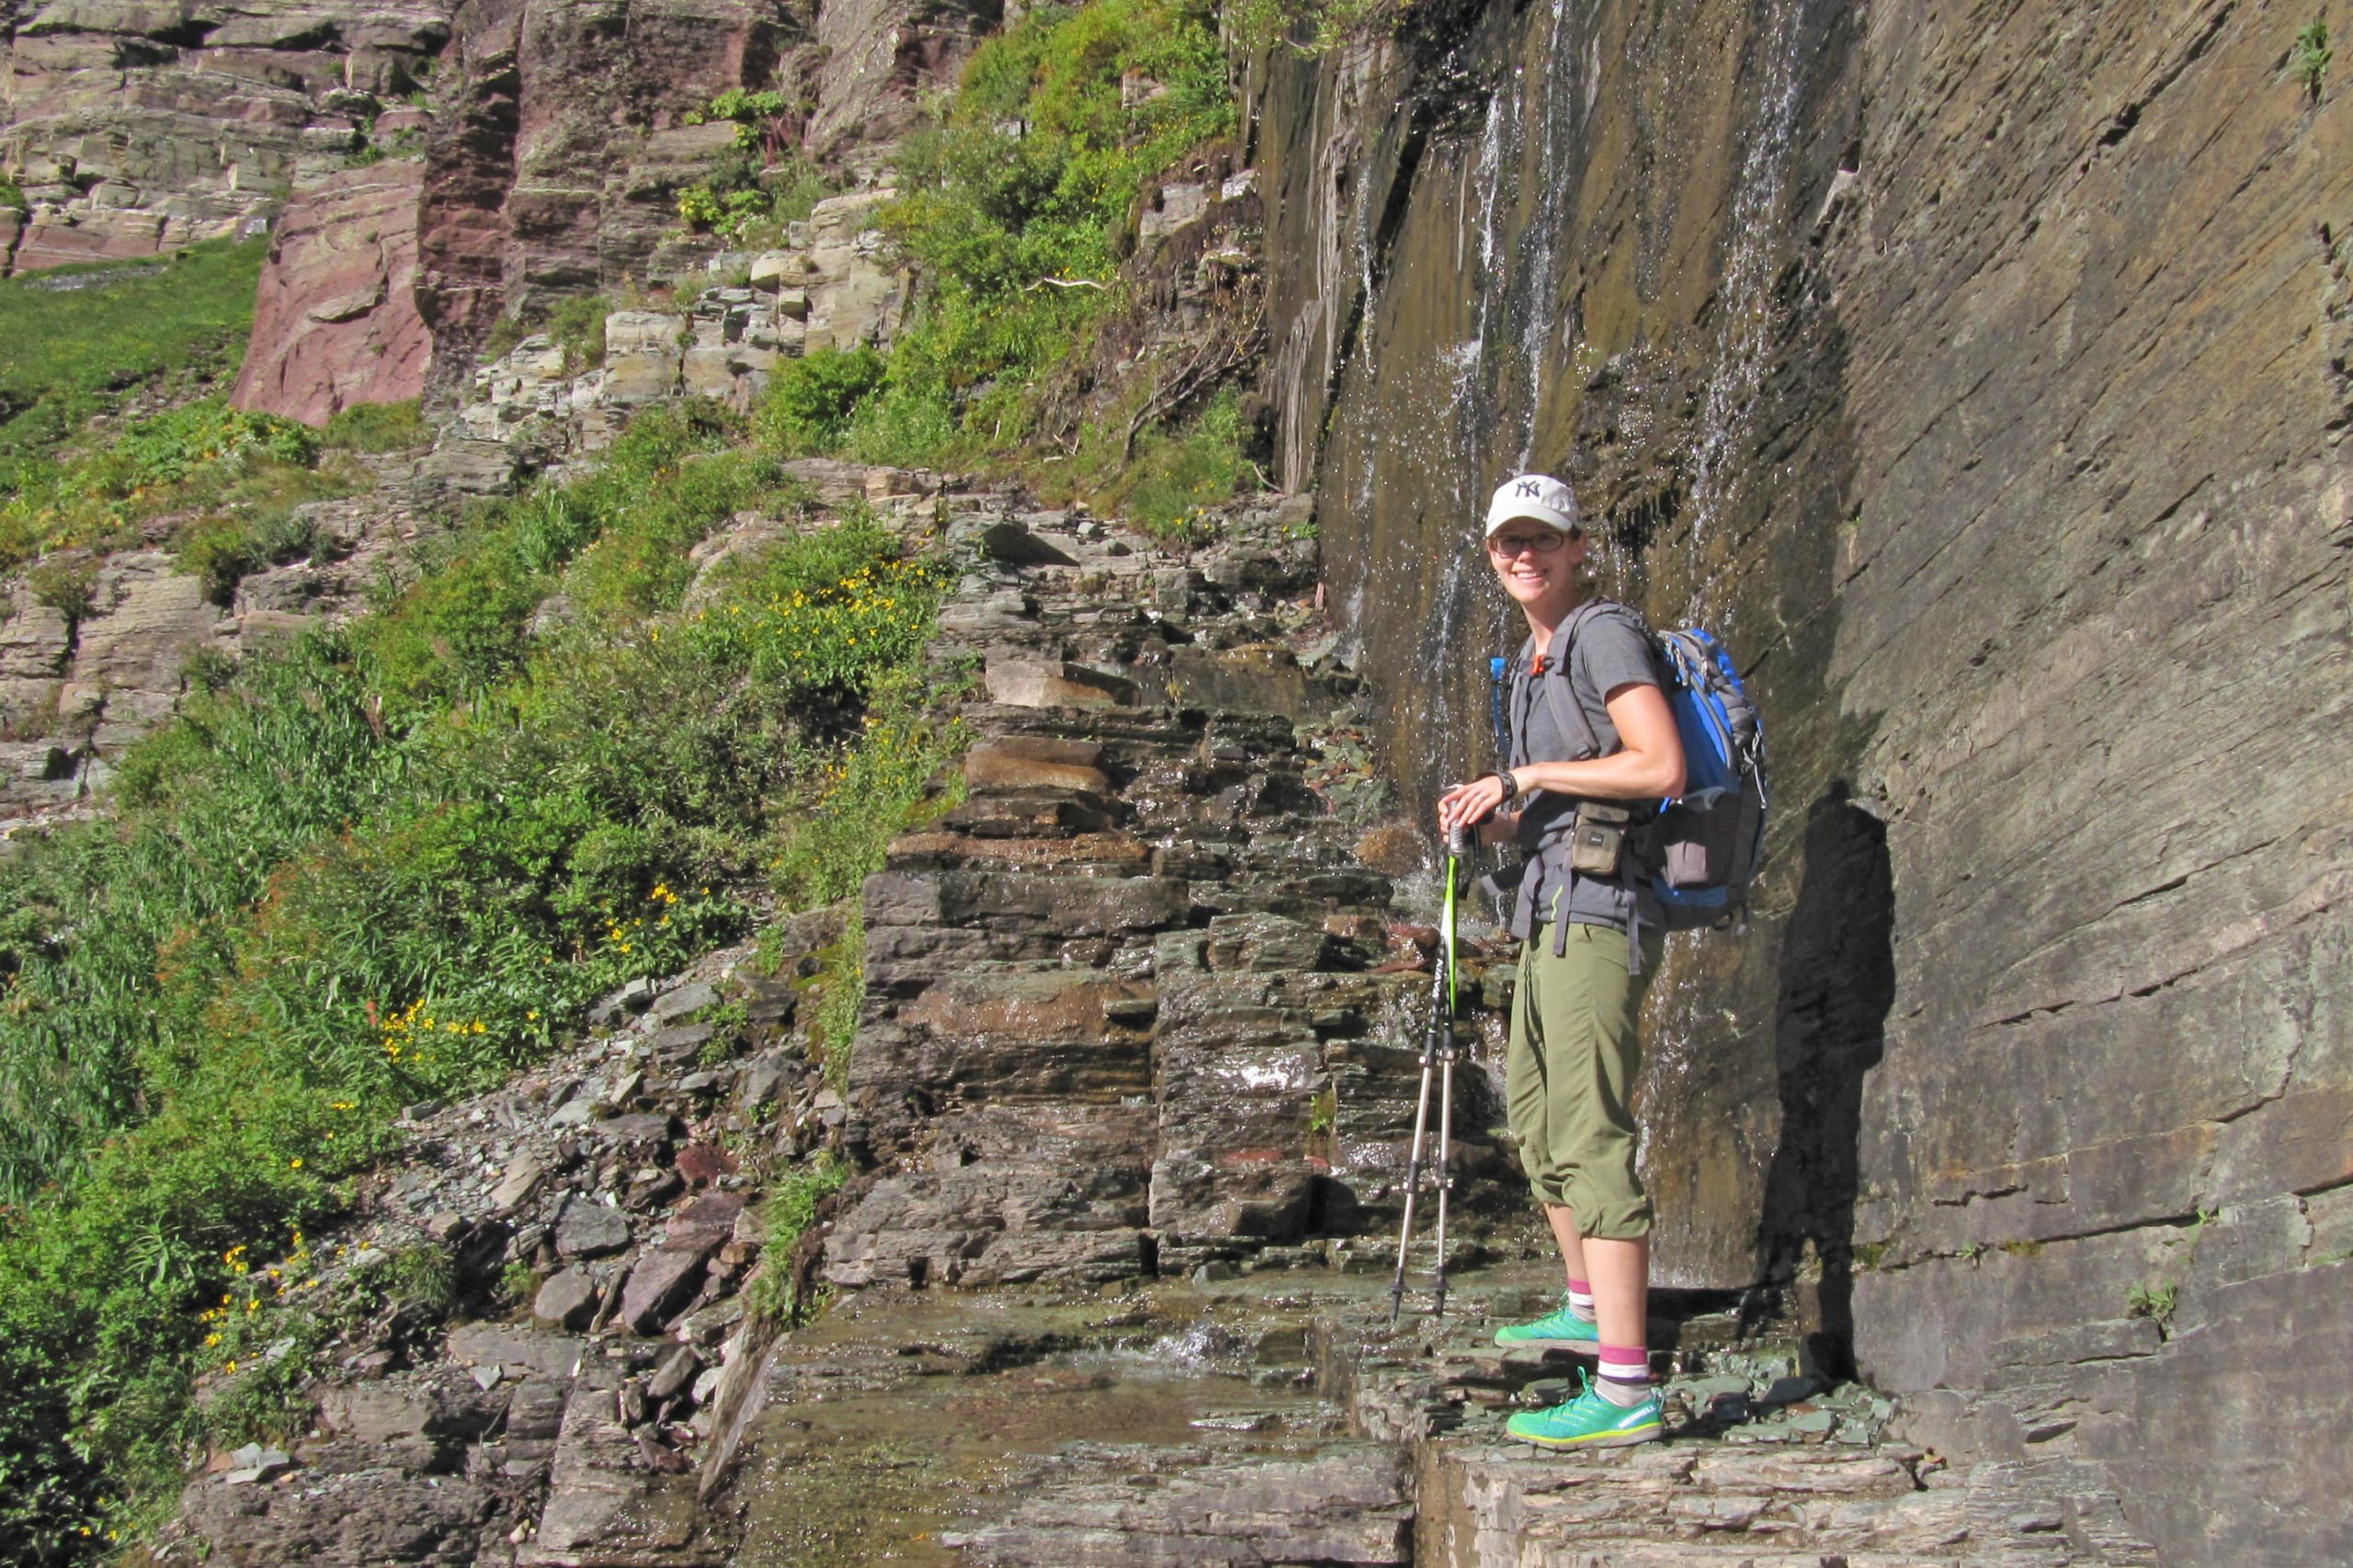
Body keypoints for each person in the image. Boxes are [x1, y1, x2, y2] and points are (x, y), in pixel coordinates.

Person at [1437, 473, 1686, 1450]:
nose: (1524, 555)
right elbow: (1550, 802)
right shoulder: (1532, 663)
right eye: (1508, 542)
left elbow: (1657, 764)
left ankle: (1625, 1389)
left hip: (1602, 909)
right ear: (1491, 554)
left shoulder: (1602, 632)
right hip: (1547, 908)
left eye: (1542, 538)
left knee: (1589, 1131)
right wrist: (1494, 814)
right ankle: (1586, 1308)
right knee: (1537, 1120)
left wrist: (1527, 772)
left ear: (1578, 544)